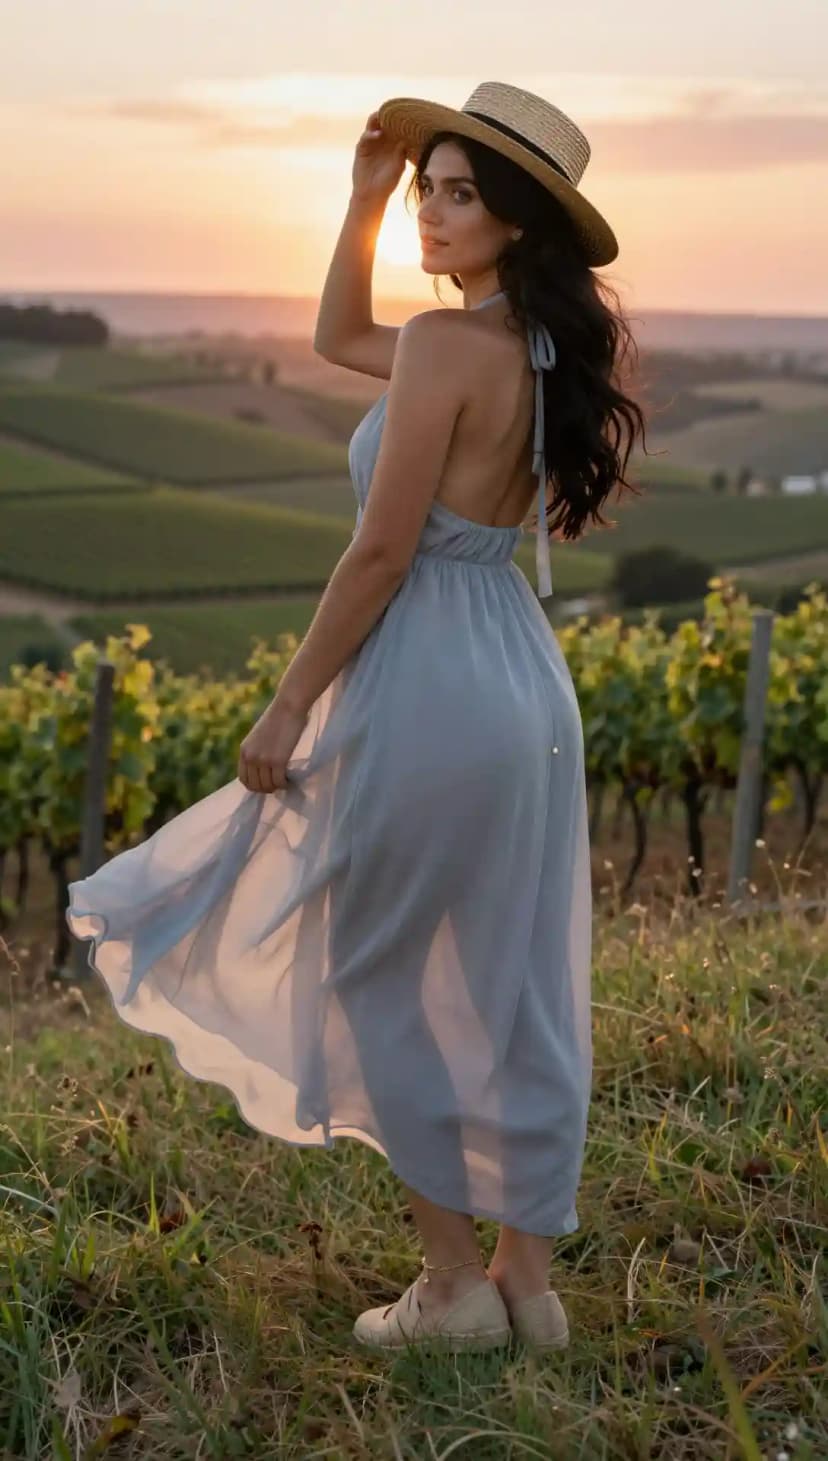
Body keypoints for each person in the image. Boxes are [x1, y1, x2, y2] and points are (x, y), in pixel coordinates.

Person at [66, 81, 648, 1355]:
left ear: (517, 219)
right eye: (429, 190)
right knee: (519, 977)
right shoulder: (538, 351)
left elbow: (381, 553)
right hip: (521, 675)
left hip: (431, 663)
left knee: (373, 963)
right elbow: (338, 330)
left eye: (459, 194)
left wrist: (286, 703)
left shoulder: (452, 349)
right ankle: (527, 1290)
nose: (435, 216)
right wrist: (363, 202)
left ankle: (450, 1293)